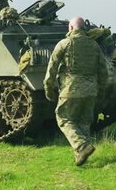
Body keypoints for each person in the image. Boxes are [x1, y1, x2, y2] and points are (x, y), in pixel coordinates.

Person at [44, 17, 108, 166]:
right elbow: (103, 71)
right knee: (84, 122)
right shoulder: (94, 45)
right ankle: (80, 156)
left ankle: (81, 146)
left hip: (71, 89)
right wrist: (101, 91)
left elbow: (51, 69)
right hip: (91, 90)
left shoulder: (64, 44)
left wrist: (49, 89)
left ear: (71, 28)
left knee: (63, 118)